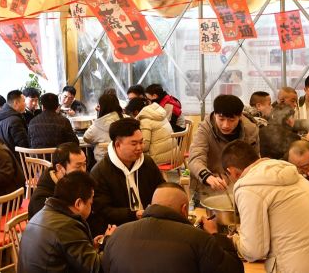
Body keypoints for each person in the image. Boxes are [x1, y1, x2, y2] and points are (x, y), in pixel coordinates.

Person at [214, 141, 309, 273]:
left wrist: (233, 241)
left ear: (231, 171)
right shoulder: (294, 175)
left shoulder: (248, 187)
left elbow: (254, 251)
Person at [102, 182, 243, 273]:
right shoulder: (199, 239)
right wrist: (215, 235)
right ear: (184, 209)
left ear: (151, 205)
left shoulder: (117, 235)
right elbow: (233, 270)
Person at [19, 172, 112, 273]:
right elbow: (97, 268)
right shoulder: (67, 226)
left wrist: (91, 246)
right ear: (78, 203)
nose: (92, 208)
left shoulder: (42, 214)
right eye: (90, 203)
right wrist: (109, 240)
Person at [89, 118, 165, 235]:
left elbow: (161, 187)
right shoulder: (100, 172)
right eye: (134, 144)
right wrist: (133, 214)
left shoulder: (147, 163)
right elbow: (103, 210)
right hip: (119, 230)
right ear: (118, 145)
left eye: (141, 142)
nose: (139, 148)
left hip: (151, 221)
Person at [187, 95, 259, 194]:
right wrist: (207, 176)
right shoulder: (205, 129)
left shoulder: (250, 131)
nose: (226, 125)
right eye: (221, 119)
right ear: (215, 114)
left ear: (240, 117)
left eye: (231, 120)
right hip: (208, 184)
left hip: (239, 183)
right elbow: (195, 157)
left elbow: (255, 162)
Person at [28, 142, 88, 219]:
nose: (83, 171)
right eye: (78, 167)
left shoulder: (77, 183)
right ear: (59, 168)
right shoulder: (42, 199)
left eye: (84, 165)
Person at [124, 97, 174, 165]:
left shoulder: (145, 121)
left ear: (136, 112)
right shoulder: (158, 114)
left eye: (131, 116)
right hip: (173, 155)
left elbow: (145, 147)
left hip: (158, 159)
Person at [83, 93, 123, 162]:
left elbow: (86, 138)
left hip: (103, 162)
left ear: (102, 107)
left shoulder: (98, 125)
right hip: (123, 159)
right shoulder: (125, 119)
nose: (96, 108)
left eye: (99, 106)